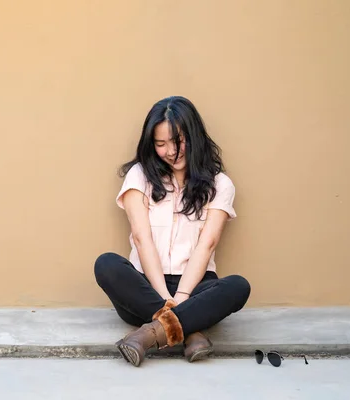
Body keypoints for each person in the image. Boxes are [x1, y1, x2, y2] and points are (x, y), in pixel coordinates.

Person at [94, 96, 251, 367]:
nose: (170, 151)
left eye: (177, 141)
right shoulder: (139, 176)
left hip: (196, 286)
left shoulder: (220, 184)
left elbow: (207, 244)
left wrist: (182, 297)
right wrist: (165, 299)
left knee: (238, 287)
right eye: (160, 144)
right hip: (143, 288)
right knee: (106, 264)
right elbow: (142, 240)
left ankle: (148, 333)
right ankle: (191, 328)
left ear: (194, 136)